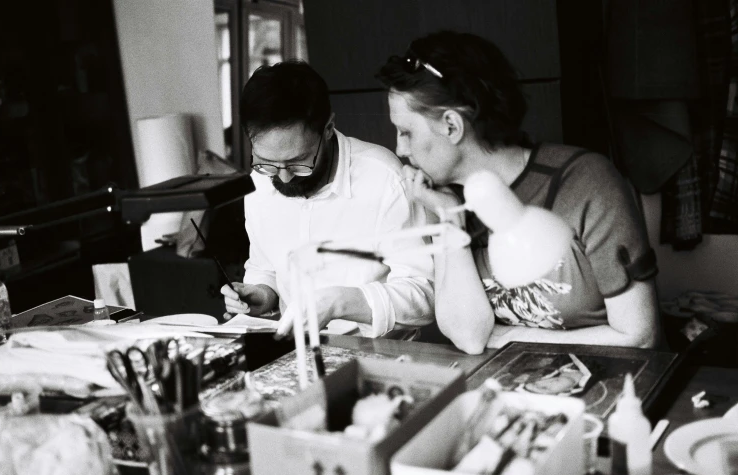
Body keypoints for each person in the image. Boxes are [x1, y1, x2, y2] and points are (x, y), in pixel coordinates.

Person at [376, 31, 662, 354]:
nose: (399, 150)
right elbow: (470, 338)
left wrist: (511, 339)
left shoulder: (587, 183)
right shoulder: (444, 198)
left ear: (452, 126)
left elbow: (640, 336)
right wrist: (449, 220)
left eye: (405, 132)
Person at [221, 60, 434, 337]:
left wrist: (340, 302)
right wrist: (261, 293)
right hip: (293, 354)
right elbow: (266, 268)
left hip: (379, 355)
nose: (283, 178)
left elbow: (423, 296)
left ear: (329, 128)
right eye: (268, 162)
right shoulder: (260, 183)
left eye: (299, 162)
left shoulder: (384, 178)